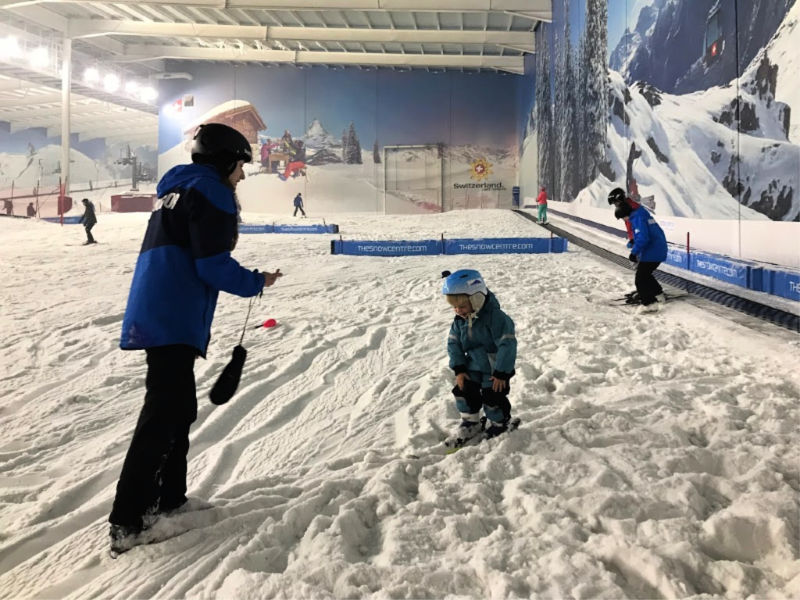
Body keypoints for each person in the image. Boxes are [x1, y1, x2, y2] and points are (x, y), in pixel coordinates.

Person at [110, 122, 283, 555]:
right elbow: (211, 265)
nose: (242, 175)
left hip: (157, 309)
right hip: (173, 315)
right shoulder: (213, 192)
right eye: (241, 166)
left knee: (178, 408)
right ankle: (129, 520)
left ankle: (170, 499)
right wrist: (256, 280)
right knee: (162, 416)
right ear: (226, 161)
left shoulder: (180, 188)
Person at [442, 269, 516, 445]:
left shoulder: (497, 318)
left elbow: (508, 345)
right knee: (464, 390)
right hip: (472, 365)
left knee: (493, 397)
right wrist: (459, 368)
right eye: (454, 306)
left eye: (462, 306)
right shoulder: (460, 320)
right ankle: (471, 422)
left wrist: (501, 373)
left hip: (494, 367)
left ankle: (500, 422)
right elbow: (454, 345)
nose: (458, 311)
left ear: (477, 299)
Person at [608, 187, 668, 312]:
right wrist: (633, 242)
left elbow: (643, 237)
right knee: (645, 274)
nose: (625, 221)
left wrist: (634, 252)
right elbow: (639, 234)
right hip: (655, 248)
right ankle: (658, 295)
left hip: (653, 250)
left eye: (615, 203)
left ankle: (650, 304)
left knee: (640, 278)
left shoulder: (636, 215)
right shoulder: (635, 212)